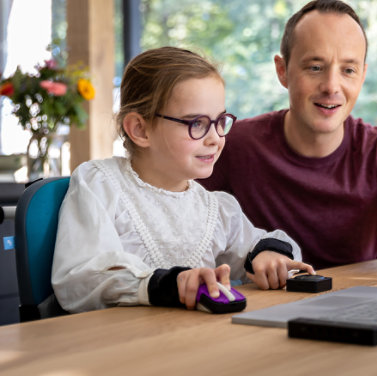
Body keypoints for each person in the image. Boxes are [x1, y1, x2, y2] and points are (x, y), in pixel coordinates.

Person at [199, 0, 377, 290]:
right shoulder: (234, 145)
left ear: (362, 76)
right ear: (282, 71)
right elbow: (169, 222)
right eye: (316, 67)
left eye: (348, 70)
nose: (332, 86)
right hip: (254, 319)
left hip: (354, 315)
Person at [52, 46, 314, 313]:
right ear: (140, 129)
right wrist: (167, 284)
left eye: (220, 121)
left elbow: (257, 243)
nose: (216, 138)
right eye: (197, 124)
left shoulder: (217, 209)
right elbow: (81, 278)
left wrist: (267, 256)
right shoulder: (101, 184)